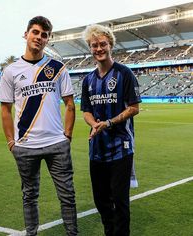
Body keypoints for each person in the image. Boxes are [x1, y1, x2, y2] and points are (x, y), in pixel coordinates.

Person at [0, 16, 78, 236]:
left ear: (48, 39)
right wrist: (11, 142)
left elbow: (70, 104)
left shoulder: (58, 68)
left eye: (44, 35)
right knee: (30, 195)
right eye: (35, 32)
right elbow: (5, 109)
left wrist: (67, 136)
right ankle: (31, 233)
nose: (39, 37)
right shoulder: (10, 71)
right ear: (26, 34)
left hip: (56, 144)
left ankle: (73, 233)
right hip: (25, 146)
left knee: (67, 195)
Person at [81, 24, 141, 236]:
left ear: (110, 45)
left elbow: (134, 108)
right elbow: (86, 111)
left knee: (120, 201)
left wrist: (108, 123)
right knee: (101, 200)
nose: (99, 48)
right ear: (90, 47)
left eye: (102, 44)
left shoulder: (125, 74)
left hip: (121, 148)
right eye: (94, 45)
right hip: (96, 148)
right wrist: (94, 124)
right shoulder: (88, 80)